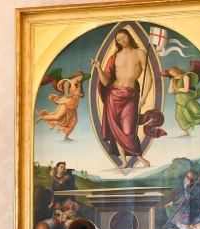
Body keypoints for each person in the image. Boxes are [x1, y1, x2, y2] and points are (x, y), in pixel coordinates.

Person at [92, 28, 153, 168]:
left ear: (129, 37)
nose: (122, 41)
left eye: (124, 37)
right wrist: (98, 67)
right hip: (113, 95)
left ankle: (140, 158)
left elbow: (149, 78)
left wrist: (144, 97)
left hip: (130, 96)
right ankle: (124, 161)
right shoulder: (114, 56)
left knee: (128, 129)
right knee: (116, 129)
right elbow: (106, 82)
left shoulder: (140, 53)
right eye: (119, 40)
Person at [38, 72, 87, 140]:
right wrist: (74, 95)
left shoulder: (78, 84)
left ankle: (66, 137)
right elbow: (67, 95)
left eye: (81, 78)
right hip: (66, 103)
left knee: (74, 120)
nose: (80, 79)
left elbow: (81, 95)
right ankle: (42, 117)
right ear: (76, 76)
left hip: (74, 105)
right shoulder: (67, 82)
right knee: (57, 116)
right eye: (79, 77)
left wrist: (79, 91)